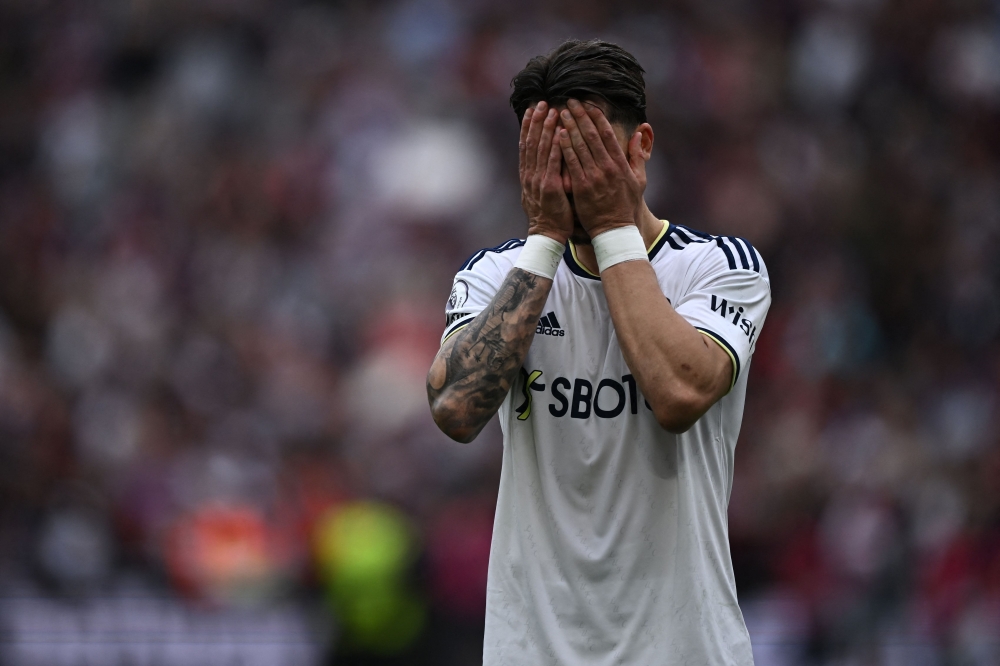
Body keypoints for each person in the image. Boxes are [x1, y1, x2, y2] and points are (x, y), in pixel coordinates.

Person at [426, 38, 770, 665]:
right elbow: (455, 408)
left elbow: (678, 394)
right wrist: (545, 238)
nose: (576, 179)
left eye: (592, 154)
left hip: (685, 650)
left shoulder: (718, 267)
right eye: (554, 157)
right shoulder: (497, 274)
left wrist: (611, 226)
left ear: (641, 146)